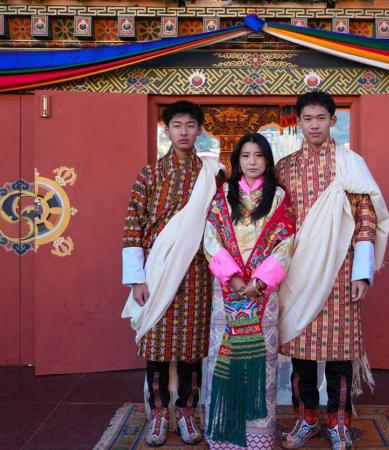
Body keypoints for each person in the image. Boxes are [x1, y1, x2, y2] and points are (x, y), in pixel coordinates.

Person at [275, 91, 389, 450]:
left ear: (332, 121)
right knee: (301, 352)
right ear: (298, 121)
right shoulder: (285, 168)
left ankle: (339, 422)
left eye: (321, 118)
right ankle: (305, 418)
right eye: (307, 119)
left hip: (341, 272)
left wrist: (362, 272)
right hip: (297, 272)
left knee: (340, 355)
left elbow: (366, 218)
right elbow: (276, 222)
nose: (314, 125)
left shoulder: (349, 163)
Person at [121, 100, 223, 447]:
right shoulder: (149, 175)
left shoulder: (211, 174)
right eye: (177, 125)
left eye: (191, 125)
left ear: (199, 130)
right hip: (157, 269)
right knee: (158, 346)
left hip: (197, 270)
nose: (184, 131)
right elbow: (132, 226)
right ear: (166, 130)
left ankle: (187, 413)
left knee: (192, 348)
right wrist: (137, 278)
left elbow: (219, 223)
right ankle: (160, 414)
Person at [203, 133, 295, 450]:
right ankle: (225, 437)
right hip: (227, 290)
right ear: (237, 160)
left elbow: (286, 242)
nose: (252, 162)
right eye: (245, 156)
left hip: (263, 293)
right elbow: (211, 237)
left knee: (261, 363)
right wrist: (232, 276)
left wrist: (258, 281)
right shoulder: (223, 195)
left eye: (258, 155)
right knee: (223, 360)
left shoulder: (279, 197)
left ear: (267, 160)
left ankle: (258, 437)